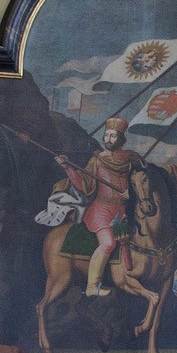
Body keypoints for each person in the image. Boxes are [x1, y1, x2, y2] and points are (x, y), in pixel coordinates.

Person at [55, 117, 145, 297]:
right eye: (107, 135)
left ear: (120, 139)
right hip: (101, 211)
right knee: (108, 242)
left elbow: (142, 180)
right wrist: (67, 167)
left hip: (123, 212)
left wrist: (132, 192)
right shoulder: (97, 160)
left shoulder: (131, 159)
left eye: (113, 136)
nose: (108, 139)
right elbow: (83, 184)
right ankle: (92, 286)